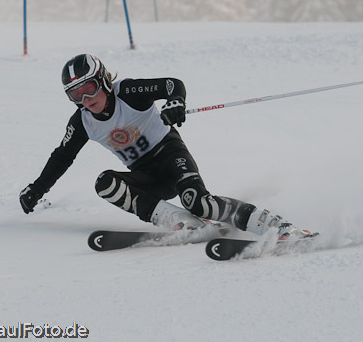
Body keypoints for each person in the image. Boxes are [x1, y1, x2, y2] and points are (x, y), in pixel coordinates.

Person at [19, 54, 313, 240]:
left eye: (89, 89)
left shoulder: (128, 92)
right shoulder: (83, 121)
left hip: (170, 156)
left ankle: (275, 227)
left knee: (199, 203)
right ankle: (179, 221)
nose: (85, 100)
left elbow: (173, 84)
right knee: (105, 184)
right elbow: (62, 157)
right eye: (75, 95)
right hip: (146, 176)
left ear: (103, 81)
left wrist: (176, 103)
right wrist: (37, 188)